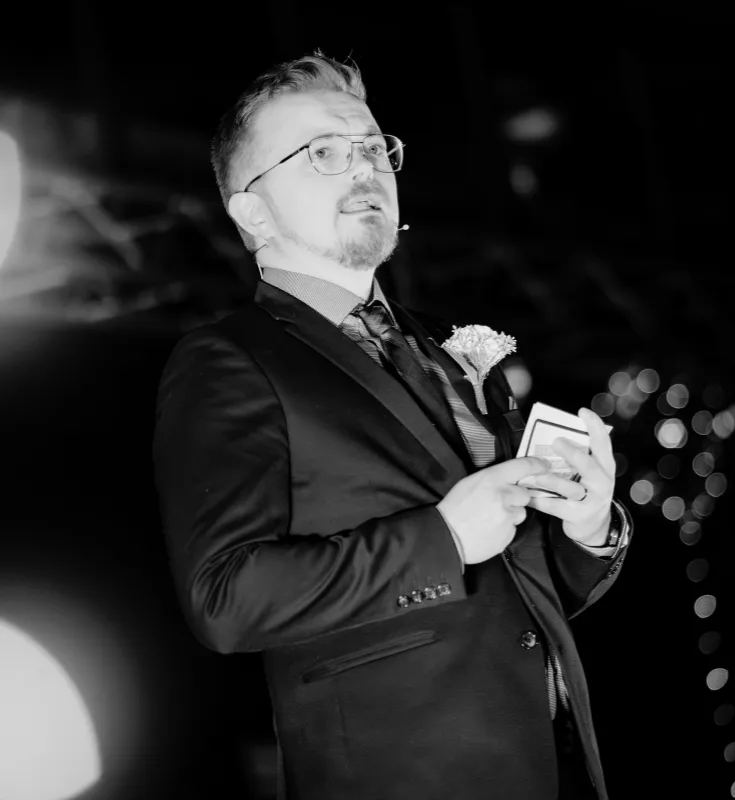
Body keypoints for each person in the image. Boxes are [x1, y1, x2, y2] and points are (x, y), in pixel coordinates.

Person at [152, 51, 633, 800]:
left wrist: (589, 527)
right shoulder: (230, 359)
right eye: (324, 153)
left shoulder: (443, 345)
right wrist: (443, 540)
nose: (365, 169)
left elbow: (517, 587)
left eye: (375, 149)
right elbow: (225, 600)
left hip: (557, 763)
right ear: (253, 212)